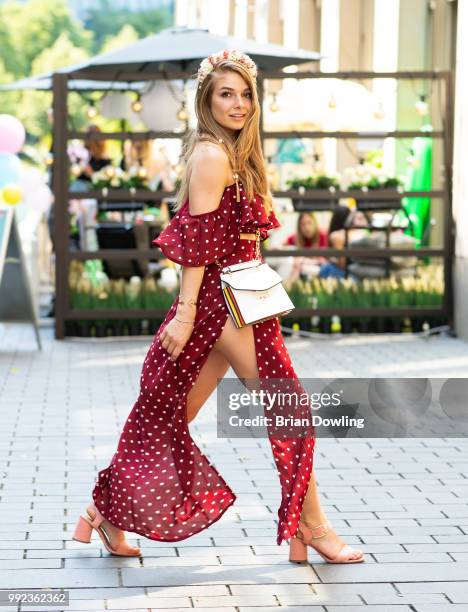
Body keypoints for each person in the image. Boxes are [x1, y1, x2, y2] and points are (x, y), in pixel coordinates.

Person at [72, 49, 364, 565]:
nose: (239, 103)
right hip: (219, 306)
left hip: (241, 301)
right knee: (290, 411)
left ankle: (105, 513)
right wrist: (185, 317)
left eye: (246, 93)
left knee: (170, 416)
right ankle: (311, 527)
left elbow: (237, 240)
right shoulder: (211, 155)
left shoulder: (236, 152)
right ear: (206, 99)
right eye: (226, 93)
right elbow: (198, 247)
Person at [320, 205, 369, 278]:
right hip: (362, 270)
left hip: (351, 273)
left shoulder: (336, 236)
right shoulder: (360, 233)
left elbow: (343, 263)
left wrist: (332, 260)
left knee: (325, 268)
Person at [283, 211, 328, 282]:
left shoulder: (323, 235)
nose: (307, 227)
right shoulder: (295, 237)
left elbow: (325, 260)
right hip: (301, 270)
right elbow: (282, 247)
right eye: (303, 224)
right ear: (299, 226)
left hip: (318, 270)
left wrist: (303, 260)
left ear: (314, 223)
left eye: (309, 223)